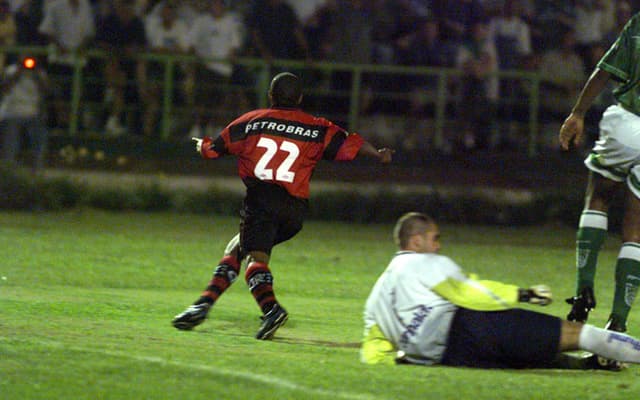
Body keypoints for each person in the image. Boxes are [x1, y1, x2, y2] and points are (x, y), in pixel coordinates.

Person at [172, 72, 393, 339]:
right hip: (295, 210)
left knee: (255, 259)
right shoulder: (316, 127)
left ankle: (271, 310)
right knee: (237, 247)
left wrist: (201, 146)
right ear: (300, 98)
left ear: (270, 95)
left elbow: (213, 149)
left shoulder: (253, 121)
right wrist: (378, 154)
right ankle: (203, 304)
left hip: (263, 198)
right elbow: (350, 143)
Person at [361, 212, 640, 369]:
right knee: (577, 334)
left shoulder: (376, 297)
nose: (438, 246)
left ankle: (592, 365)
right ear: (417, 240)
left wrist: (404, 359)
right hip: (466, 327)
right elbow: (469, 292)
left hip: (452, 357)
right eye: (435, 239)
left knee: (523, 354)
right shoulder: (424, 262)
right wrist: (523, 294)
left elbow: (373, 352)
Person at [559, 10, 640, 335]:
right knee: (636, 232)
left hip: (628, 124)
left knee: (598, 199)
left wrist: (578, 112)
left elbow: (604, 70)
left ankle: (583, 293)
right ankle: (618, 320)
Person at [0, 56, 50, 172]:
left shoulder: (39, 73)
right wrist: (18, 73)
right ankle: (9, 168)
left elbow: (46, 91)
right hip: (12, 112)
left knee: (39, 138)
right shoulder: (11, 71)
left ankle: (37, 168)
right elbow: (4, 88)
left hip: (33, 113)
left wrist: (36, 76)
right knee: (11, 142)